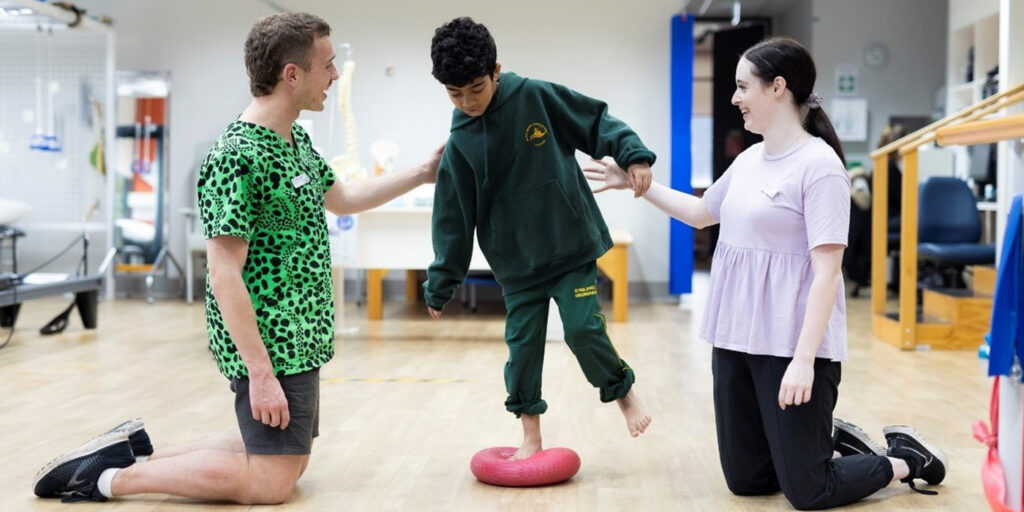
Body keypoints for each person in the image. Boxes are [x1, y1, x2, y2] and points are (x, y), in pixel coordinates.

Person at [32, 12, 441, 505]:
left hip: (300, 334)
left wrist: (423, 172)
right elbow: (224, 275)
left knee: (290, 456)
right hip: (270, 340)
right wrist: (260, 374)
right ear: (293, 74)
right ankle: (104, 479)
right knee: (270, 482)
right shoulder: (235, 156)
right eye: (327, 65)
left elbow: (345, 198)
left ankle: (126, 453)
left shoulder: (295, 143)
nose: (334, 75)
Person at [585, 37, 946, 509]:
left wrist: (803, 362)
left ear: (778, 88)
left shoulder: (821, 168)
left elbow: (826, 273)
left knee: (810, 491)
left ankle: (903, 460)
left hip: (791, 347)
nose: (734, 99)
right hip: (735, 338)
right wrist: (635, 183)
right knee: (748, 480)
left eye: (742, 87)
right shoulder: (750, 159)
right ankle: (824, 441)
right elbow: (700, 213)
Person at [423, 17, 653, 461]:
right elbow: (452, 219)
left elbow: (596, 121)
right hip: (517, 265)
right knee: (523, 350)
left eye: (476, 87)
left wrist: (633, 154)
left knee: (584, 329)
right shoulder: (460, 143)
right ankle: (531, 435)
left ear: (495, 70)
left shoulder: (536, 96)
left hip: (570, 247)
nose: (468, 101)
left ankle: (622, 392)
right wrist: (442, 282)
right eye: (455, 93)